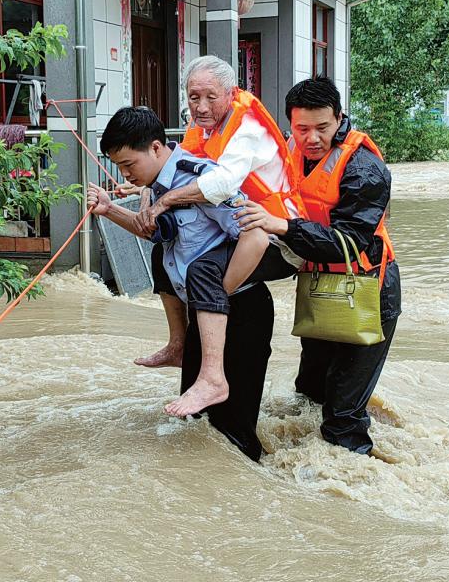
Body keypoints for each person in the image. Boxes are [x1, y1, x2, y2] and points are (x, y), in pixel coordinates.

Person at [235, 76, 401, 455]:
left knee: (342, 418)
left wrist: (283, 226)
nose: (311, 138)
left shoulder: (364, 169)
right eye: (302, 129)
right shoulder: (288, 151)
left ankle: (346, 484)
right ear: (290, 124)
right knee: (309, 395)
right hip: (320, 287)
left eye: (322, 128)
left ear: (339, 118)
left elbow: (347, 243)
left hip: (367, 293)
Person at [88, 106, 269, 417]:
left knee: (235, 433)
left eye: (129, 164)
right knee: (196, 426)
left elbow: (257, 237)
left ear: (156, 147)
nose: (126, 175)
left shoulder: (203, 180)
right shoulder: (158, 186)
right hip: (205, 317)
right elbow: (152, 232)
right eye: (119, 167)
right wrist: (108, 209)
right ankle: (179, 346)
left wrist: (219, 292)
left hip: (240, 313)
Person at [132, 55, 302, 371]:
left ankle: (211, 344)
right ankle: (177, 345)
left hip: (278, 238)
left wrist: (165, 201)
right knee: (162, 254)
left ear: (230, 93)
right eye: (194, 97)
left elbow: (222, 184)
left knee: (201, 270)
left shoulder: (247, 127)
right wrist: (145, 193)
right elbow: (171, 166)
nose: (202, 106)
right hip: (234, 227)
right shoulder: (204, 127)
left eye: (211, 97)